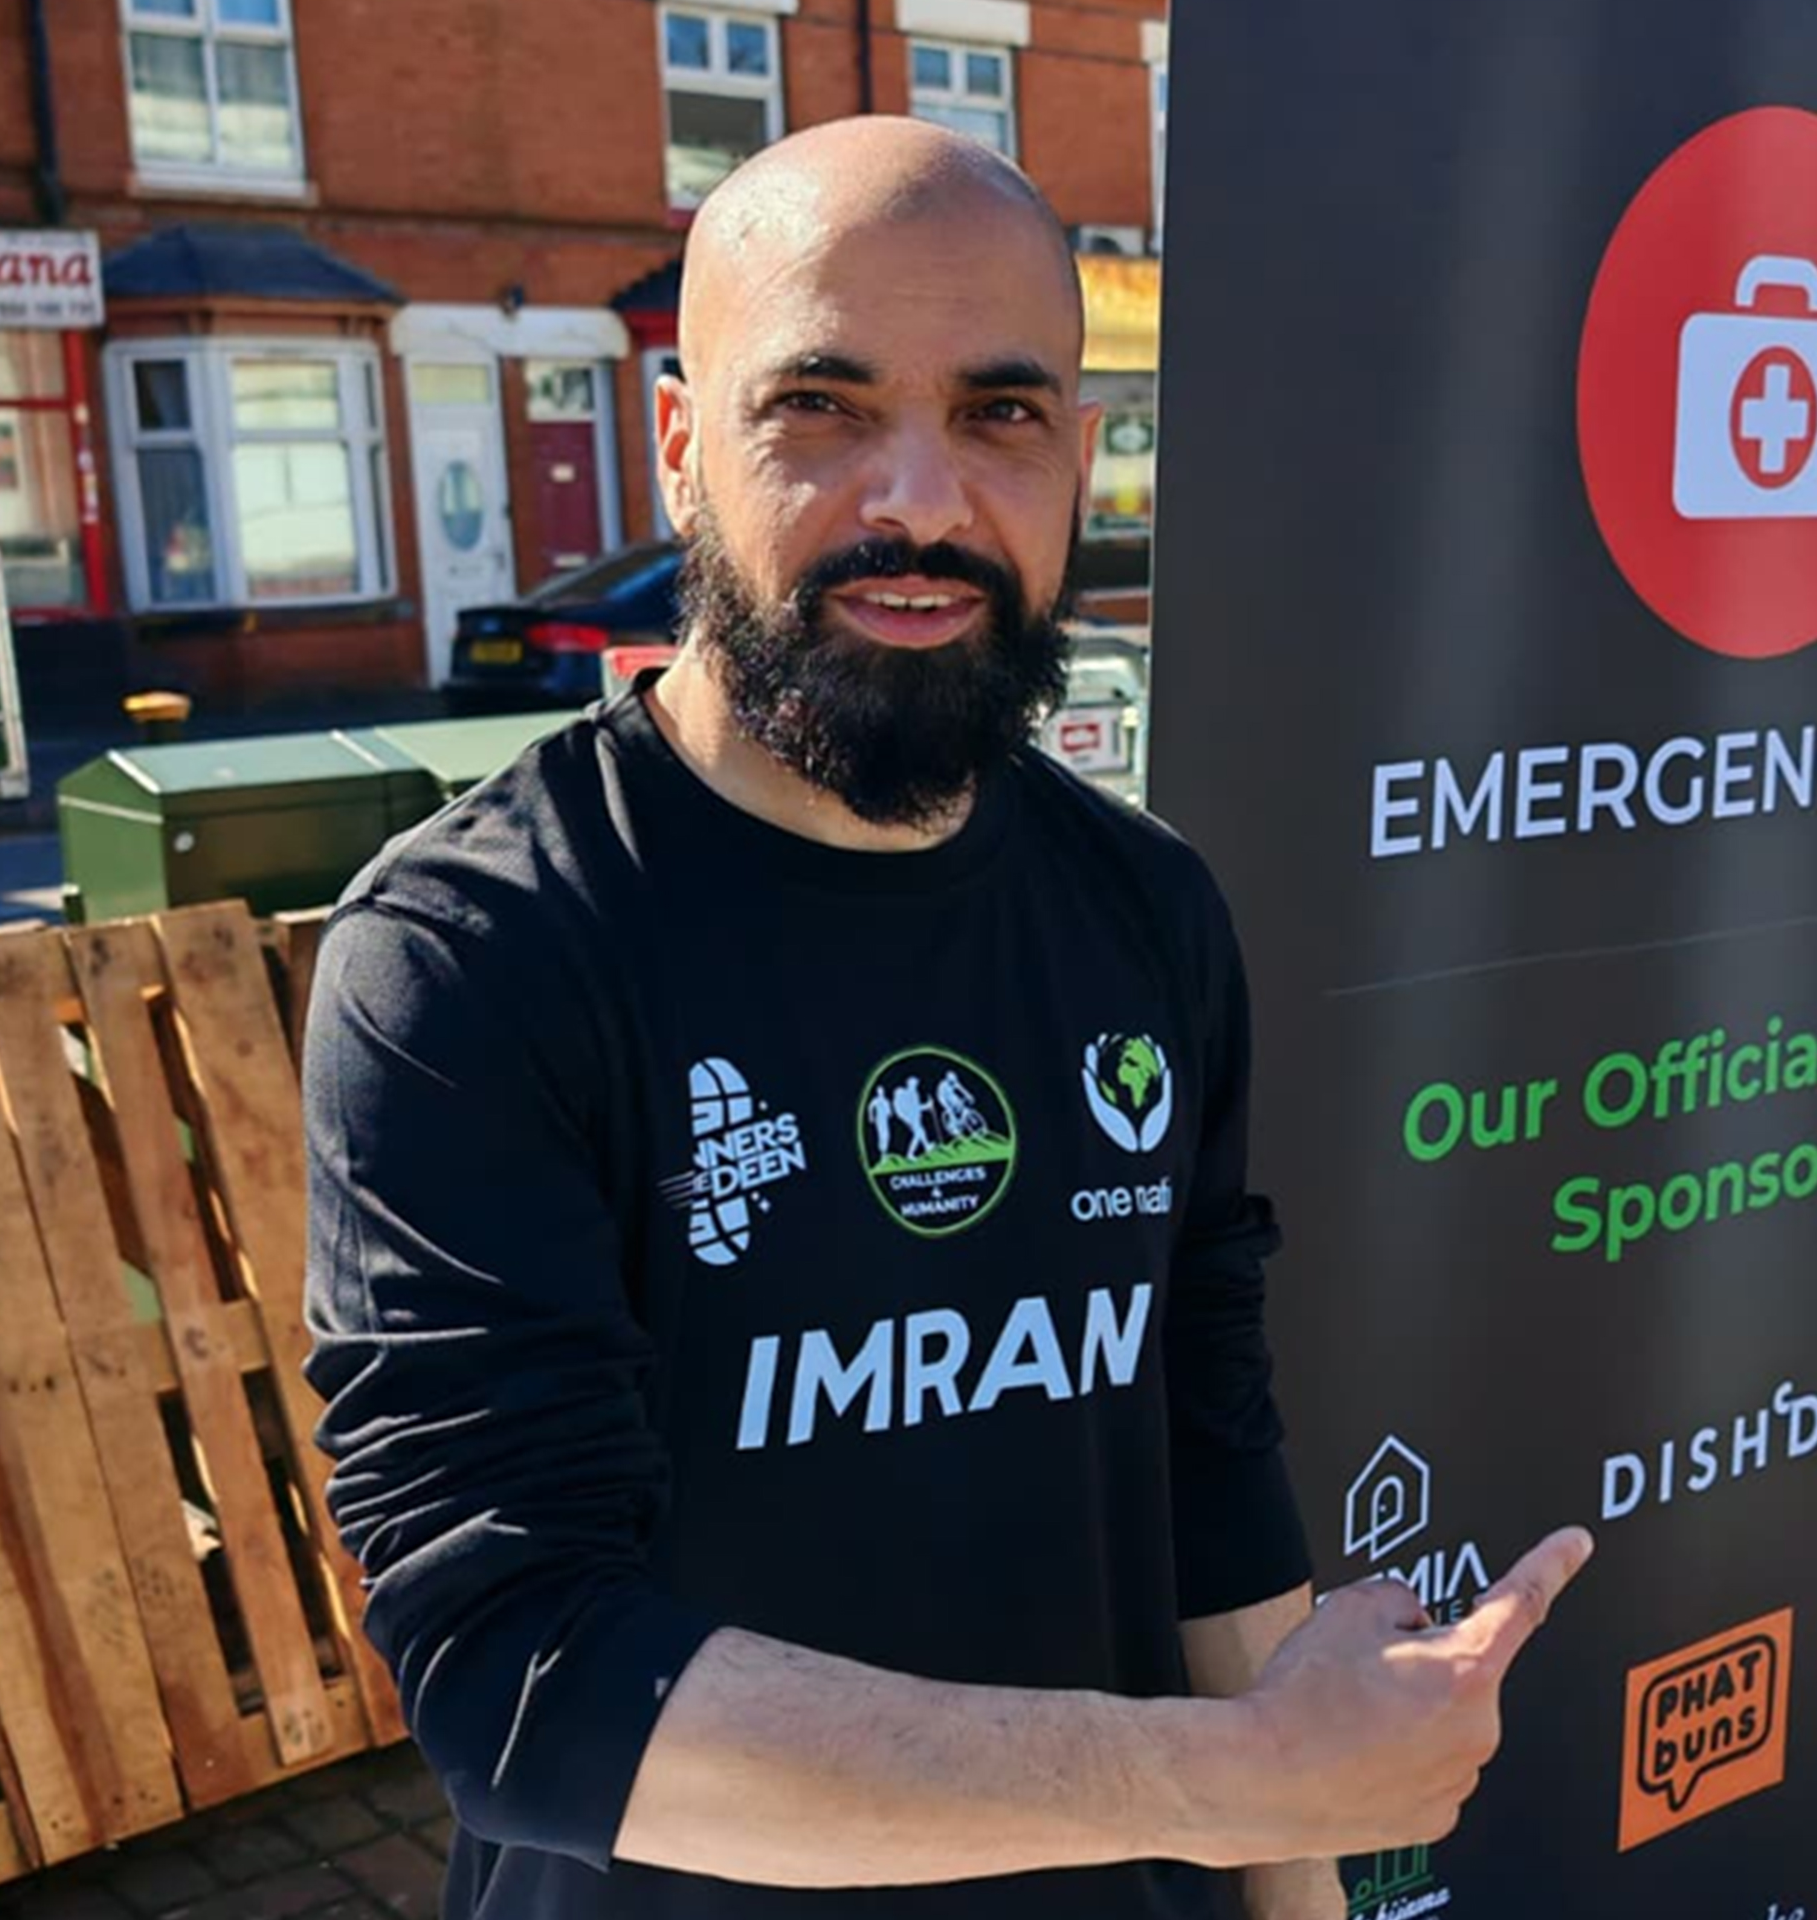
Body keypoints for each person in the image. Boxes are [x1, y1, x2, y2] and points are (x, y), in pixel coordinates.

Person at [301, 116, 1590, 1920]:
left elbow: (1203, 1464)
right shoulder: (478, 950)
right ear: (679, 448)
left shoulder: (1147, 912)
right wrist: (1227, 1780)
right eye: (819, 407)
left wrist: (1289, 1874)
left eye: (1000, 415)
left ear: (1080, 457)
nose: (918, 501)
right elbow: (525, 1681)